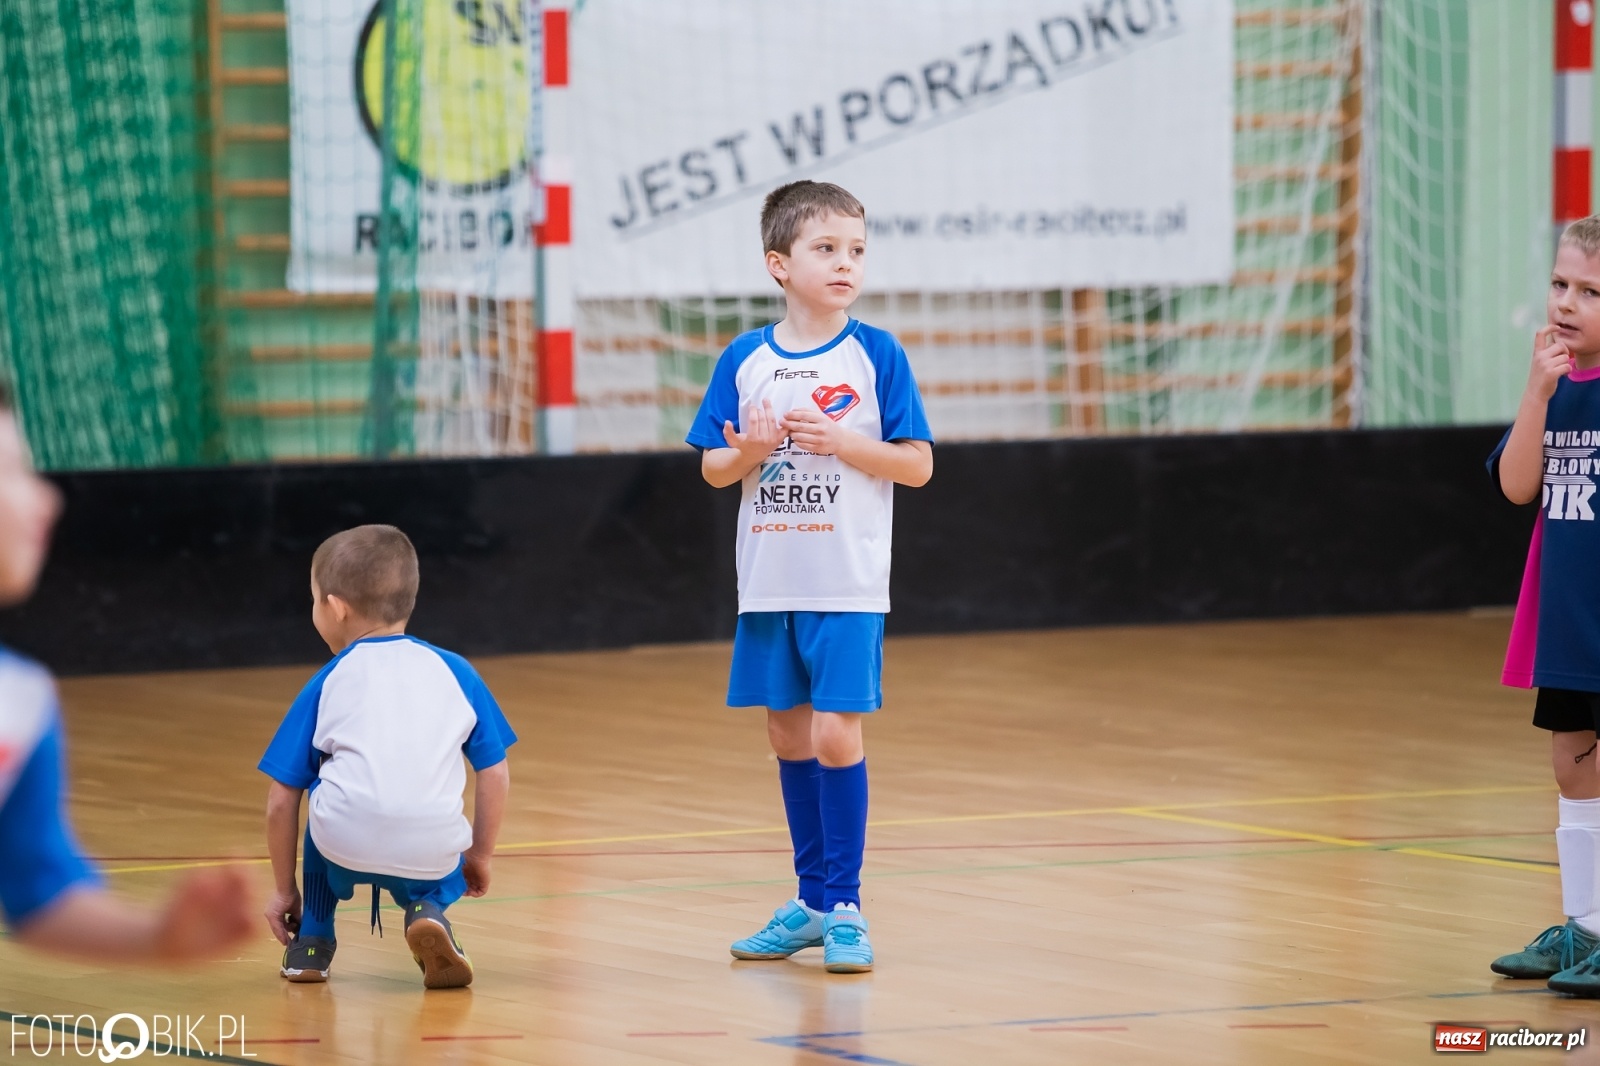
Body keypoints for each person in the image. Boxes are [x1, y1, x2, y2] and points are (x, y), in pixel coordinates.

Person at [686, 180, 933, 974]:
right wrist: (753, 450)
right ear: (778, 263)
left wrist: (838, 441)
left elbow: (918, 466)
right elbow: (715, 470)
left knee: (835, 734)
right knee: (786, 734)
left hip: (845, 584)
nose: (845, 263)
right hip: (769, 584)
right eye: (826, 249)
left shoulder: (876, 355)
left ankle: (847, 904)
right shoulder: (745, 359)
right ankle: (810, 903)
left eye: (856, 250)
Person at [0, 388, 254, 962]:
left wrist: (157, 938)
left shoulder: (20, 702)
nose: (47, 499)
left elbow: (41, 890)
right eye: (12, 471)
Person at [258, 524, 515, 989]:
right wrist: (480, 855)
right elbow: (494, 772)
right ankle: (428, 908)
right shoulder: (456, 670)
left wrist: (283, 891)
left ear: (335, 608)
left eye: (314, 600)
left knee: (324, 791)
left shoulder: (329, 679)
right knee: (434, 824)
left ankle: (312, 940)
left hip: (343, 846)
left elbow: (281, 799)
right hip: (431, 851)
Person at [1490, 214, 1600, 996]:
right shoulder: (1554, 384)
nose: (1567, 301)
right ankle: (1586, 928)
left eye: (1591, 291)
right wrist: (1536, 392)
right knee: (1572, 764)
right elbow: (1517, 484)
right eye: (1560, 284)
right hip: (1568, 613)